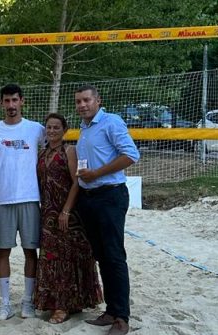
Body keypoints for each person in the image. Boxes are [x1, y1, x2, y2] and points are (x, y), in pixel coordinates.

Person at [0, 83, 45, 320]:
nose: (11, 105)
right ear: (1, 103)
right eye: (7, 101)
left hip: (30, 198)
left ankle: (27, 301)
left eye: (15, 100)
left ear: (22, 101)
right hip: (2, 200)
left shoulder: (36, 129)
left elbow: (50, 151)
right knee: (2, 251)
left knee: (30, 251)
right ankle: (4, 303)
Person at [74, 85, 139, 335]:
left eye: (86, 100)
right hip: (90, 197)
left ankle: (122, 317)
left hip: (110, 195)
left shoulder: (111, 122)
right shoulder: (84, 128)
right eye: (78, 101)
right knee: (102, 256)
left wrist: (96, 173)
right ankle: (111, 311)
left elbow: (131, 155)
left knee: (114, 256)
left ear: (98, 101)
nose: (82, 105)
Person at [33, 113, 103, 323]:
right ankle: (55, 302)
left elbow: (76, 182)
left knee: (66, 259)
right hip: (47, 213)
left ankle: (63, 305)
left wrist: (66, 211)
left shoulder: (69, 151)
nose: (52, 131)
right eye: (49, 127)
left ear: (64, 130)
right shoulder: (42, 153)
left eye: (56, 127)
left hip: (67, 213)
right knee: (49, 259)